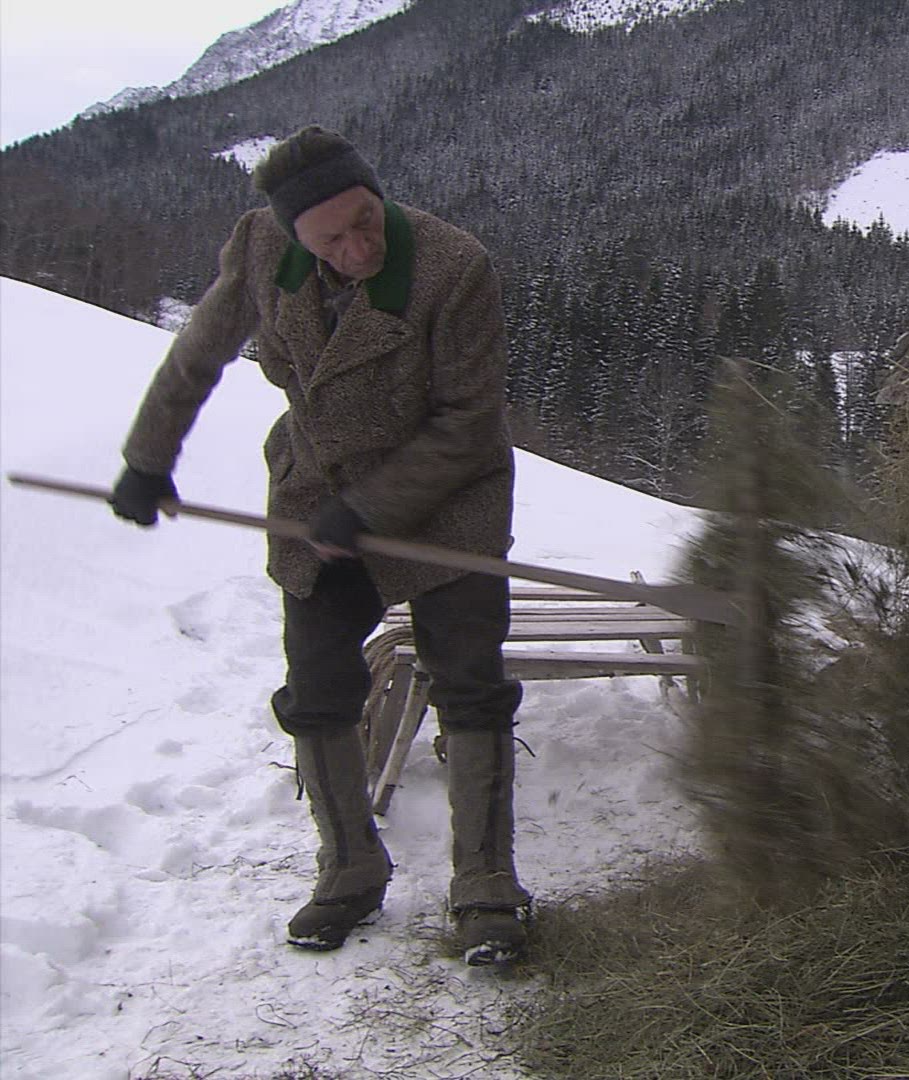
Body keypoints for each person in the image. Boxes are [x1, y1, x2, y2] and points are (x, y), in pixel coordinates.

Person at [108, 126, 532, 965]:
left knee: (471, 687)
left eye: (366, 221)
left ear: (378, 196)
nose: (357, 247)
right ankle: (349, 868)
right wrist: (147, 459)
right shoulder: (260, 248)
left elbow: (469, 423)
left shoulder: (454, 267)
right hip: (319, 495)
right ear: (293, 233)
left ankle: (486, 883)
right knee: (317, 688)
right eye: (331, 238)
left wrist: (372, 506)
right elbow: (198, 354)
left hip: (450, 500)